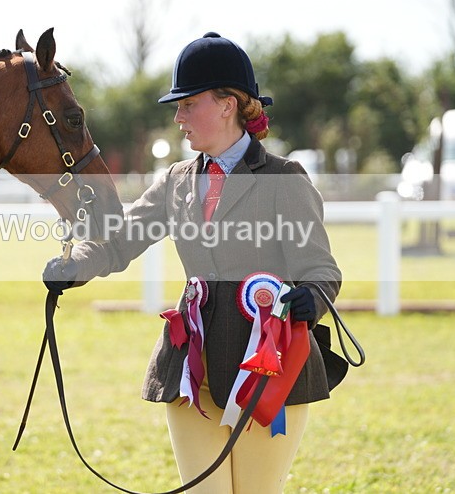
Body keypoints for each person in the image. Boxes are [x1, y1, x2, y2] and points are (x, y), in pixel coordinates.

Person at [43, 32, 342, 494]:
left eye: (187, 104)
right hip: (191, 370)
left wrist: (311, 298)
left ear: (227, 105)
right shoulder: (176, 181)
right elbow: (118, 241)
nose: (178, 118)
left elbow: (322, 271)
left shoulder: (284, 179)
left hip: (268, 368)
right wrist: (74, 265)